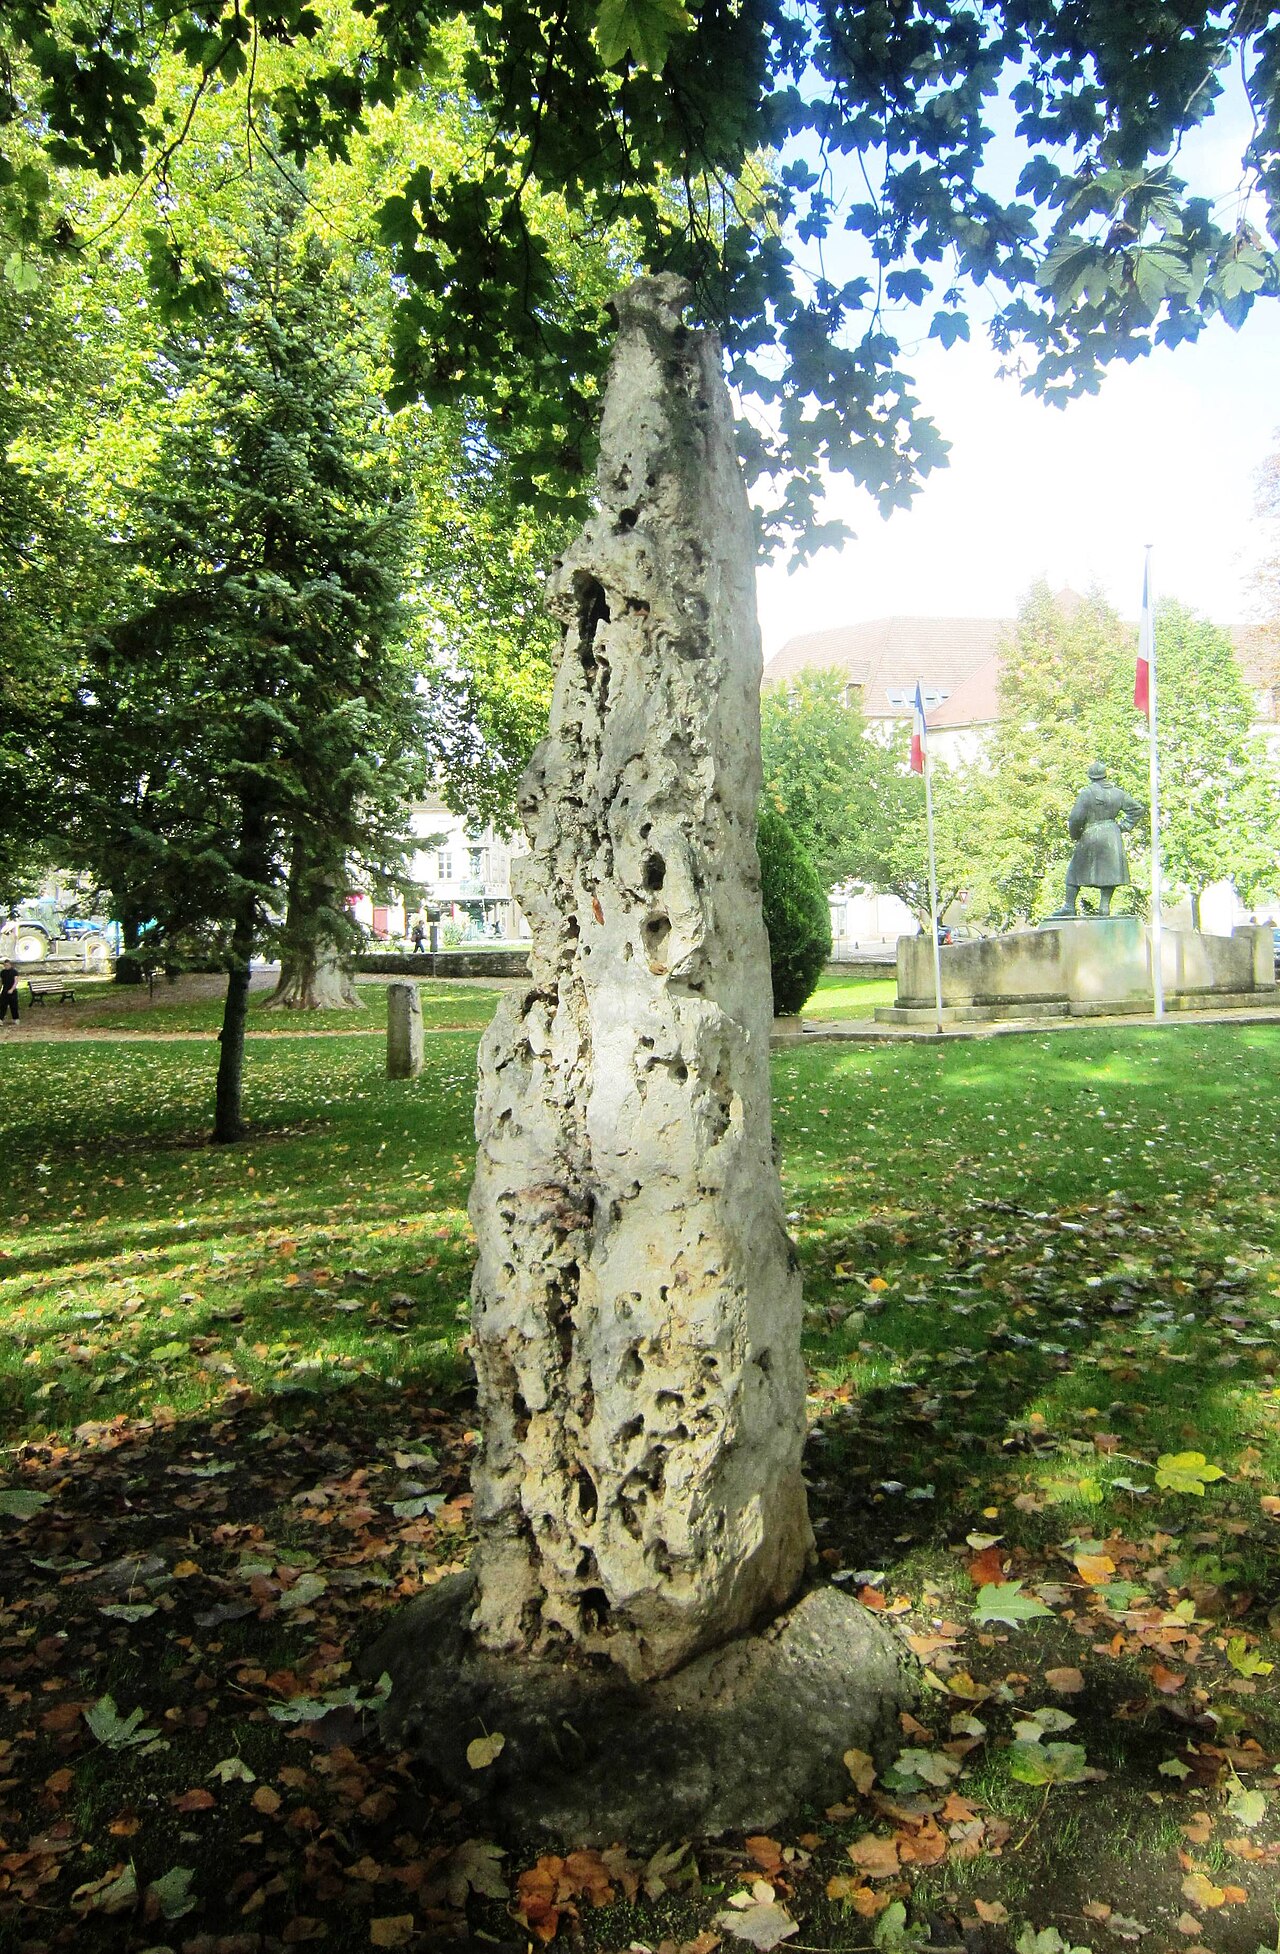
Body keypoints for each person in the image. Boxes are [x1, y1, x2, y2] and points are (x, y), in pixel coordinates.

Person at [1056, 761, 1145, 918]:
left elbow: (1075, 818)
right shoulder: (1118, 793)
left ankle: (1069, 905)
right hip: (1112, 834)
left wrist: (1075, 835)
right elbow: (1137, 809)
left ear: (1091, 777)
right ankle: (1104, 906)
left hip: (1091, 834)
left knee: (1074, 872)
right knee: (1108, 873)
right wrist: (1123, 826)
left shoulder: (1086, 793)